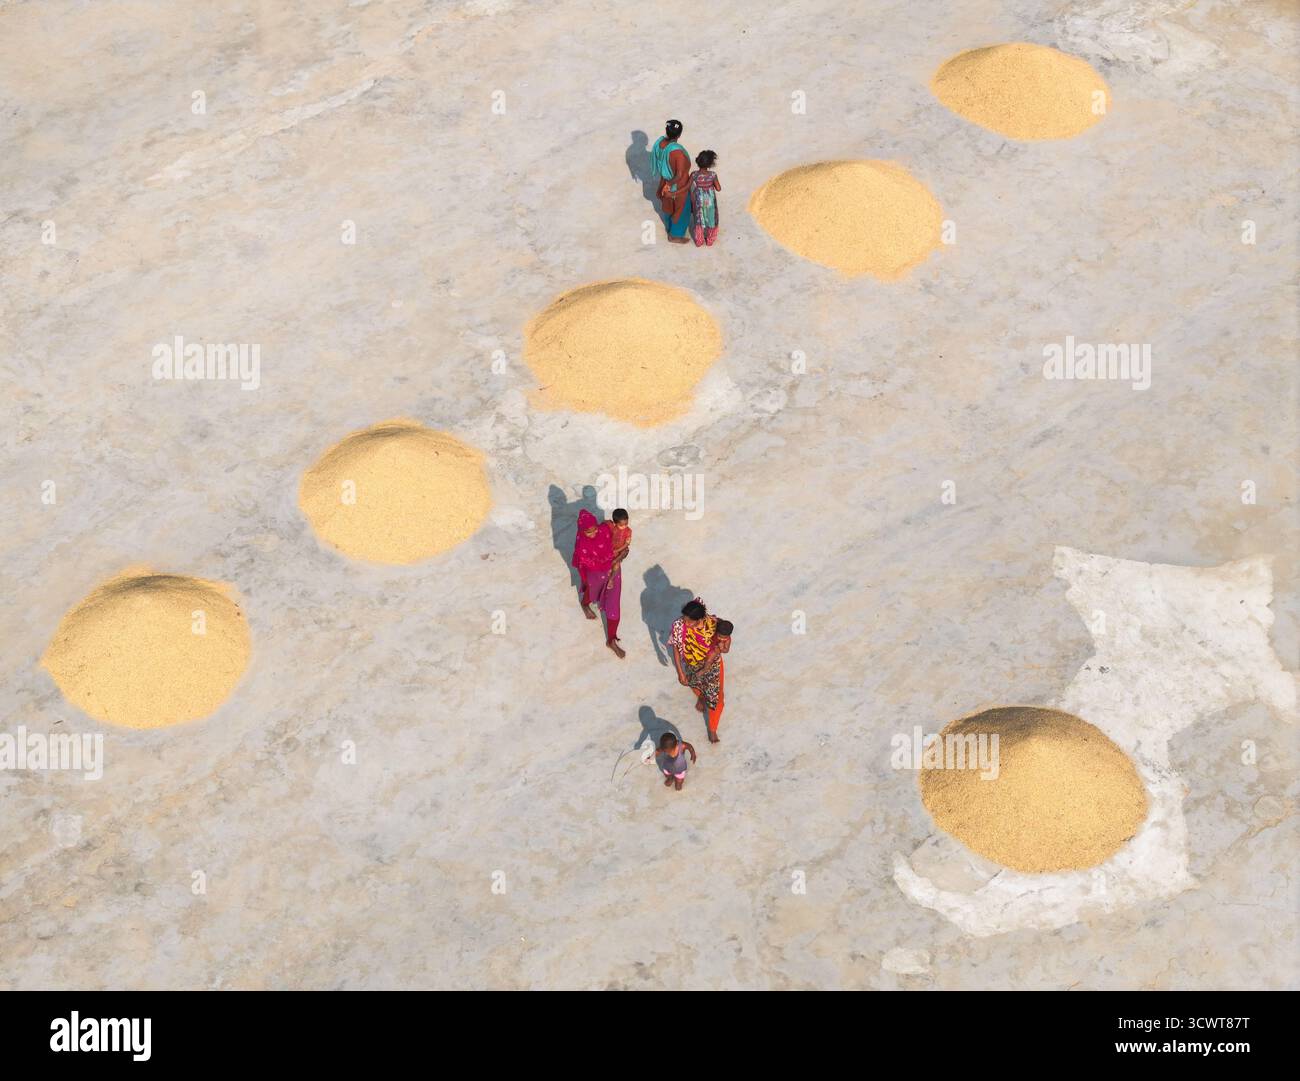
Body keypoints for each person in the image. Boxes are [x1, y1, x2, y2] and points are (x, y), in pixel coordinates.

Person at [669, 598, 729, 740]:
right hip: (691, 664)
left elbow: (726, 640)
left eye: (690, 621)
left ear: (700, 619)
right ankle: (702, 696)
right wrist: (680, 672)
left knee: (717, 699)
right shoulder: (679, 626)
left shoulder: (714, 624)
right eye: (684, 618)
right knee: (694, 684)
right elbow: (677, 649)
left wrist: (723, 648)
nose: (686, 623)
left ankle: (713, 728)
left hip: (713, 665)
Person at [651, 120, 692, 245]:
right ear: (679, 135)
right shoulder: (678, 153)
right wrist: (670, 184)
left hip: (664, 182)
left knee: (668, 207)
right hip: (677, 186)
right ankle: (675, 235)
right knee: (681, 210)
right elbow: (679, 174)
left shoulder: (660, 143)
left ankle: (669, 228)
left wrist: (665, 185)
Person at [571, 509, 612, 622]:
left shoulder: (602, 530)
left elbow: (608, 526)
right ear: (582, 531)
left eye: (595, 529)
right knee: (591, 586)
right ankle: (585, 604)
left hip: (602, 564)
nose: (593, 533)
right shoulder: (582, 544)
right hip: (589, 568)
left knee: (606, 581)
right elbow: (586, 561)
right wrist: (601, 565)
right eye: (589, 532)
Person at [603, 508, 632, 658]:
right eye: (621, 525)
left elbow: (626, 547)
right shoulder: (607, 527)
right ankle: (586, 601)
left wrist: (617, 554)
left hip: (614, 557)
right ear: (614, 523)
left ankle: (611, 639)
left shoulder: (628, 532)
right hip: (603, 558)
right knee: (593, 585)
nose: (624, 527)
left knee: (614, 569)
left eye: (626, 524)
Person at [689, 150, 721, 247]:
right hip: (710, 200)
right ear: (711, 164)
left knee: (699, 218)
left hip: (698, 199)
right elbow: (718, 188)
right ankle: (710, 240)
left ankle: (699, 240)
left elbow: (687, 186)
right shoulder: (712, 175)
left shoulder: (694, 174)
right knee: (711, 218)